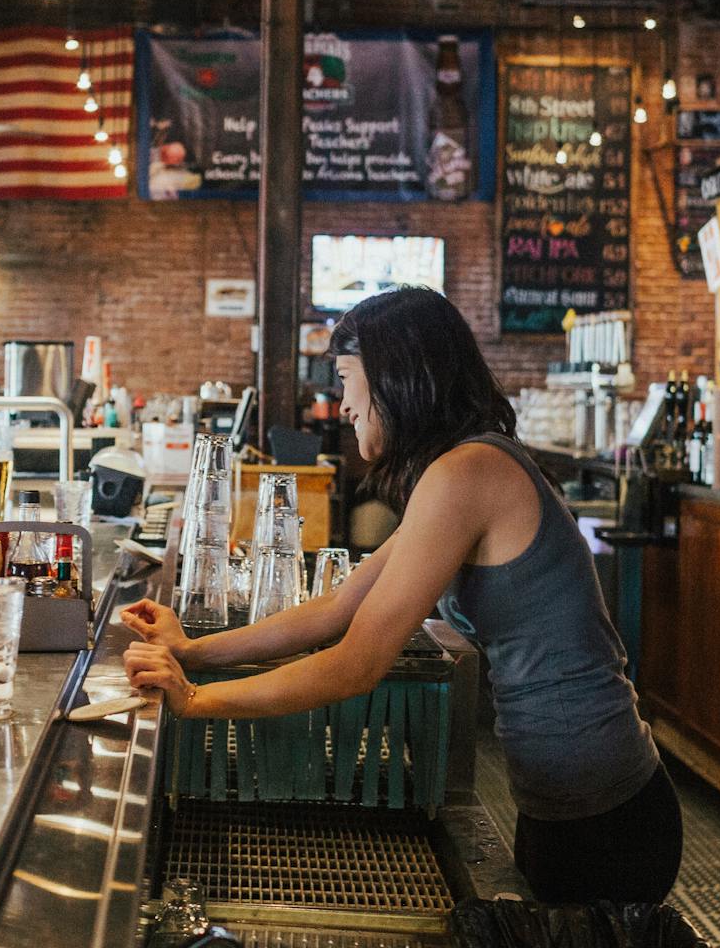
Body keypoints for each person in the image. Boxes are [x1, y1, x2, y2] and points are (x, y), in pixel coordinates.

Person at [121, 287, 682, 907]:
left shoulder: (468, 475)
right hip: (567, 800)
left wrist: (197, 700)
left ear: (396, 378)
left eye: (345, 380)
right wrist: (194, 650)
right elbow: (337, 609)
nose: (342, 406)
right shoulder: (460, 471)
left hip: (606, 814)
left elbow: (357, 663)